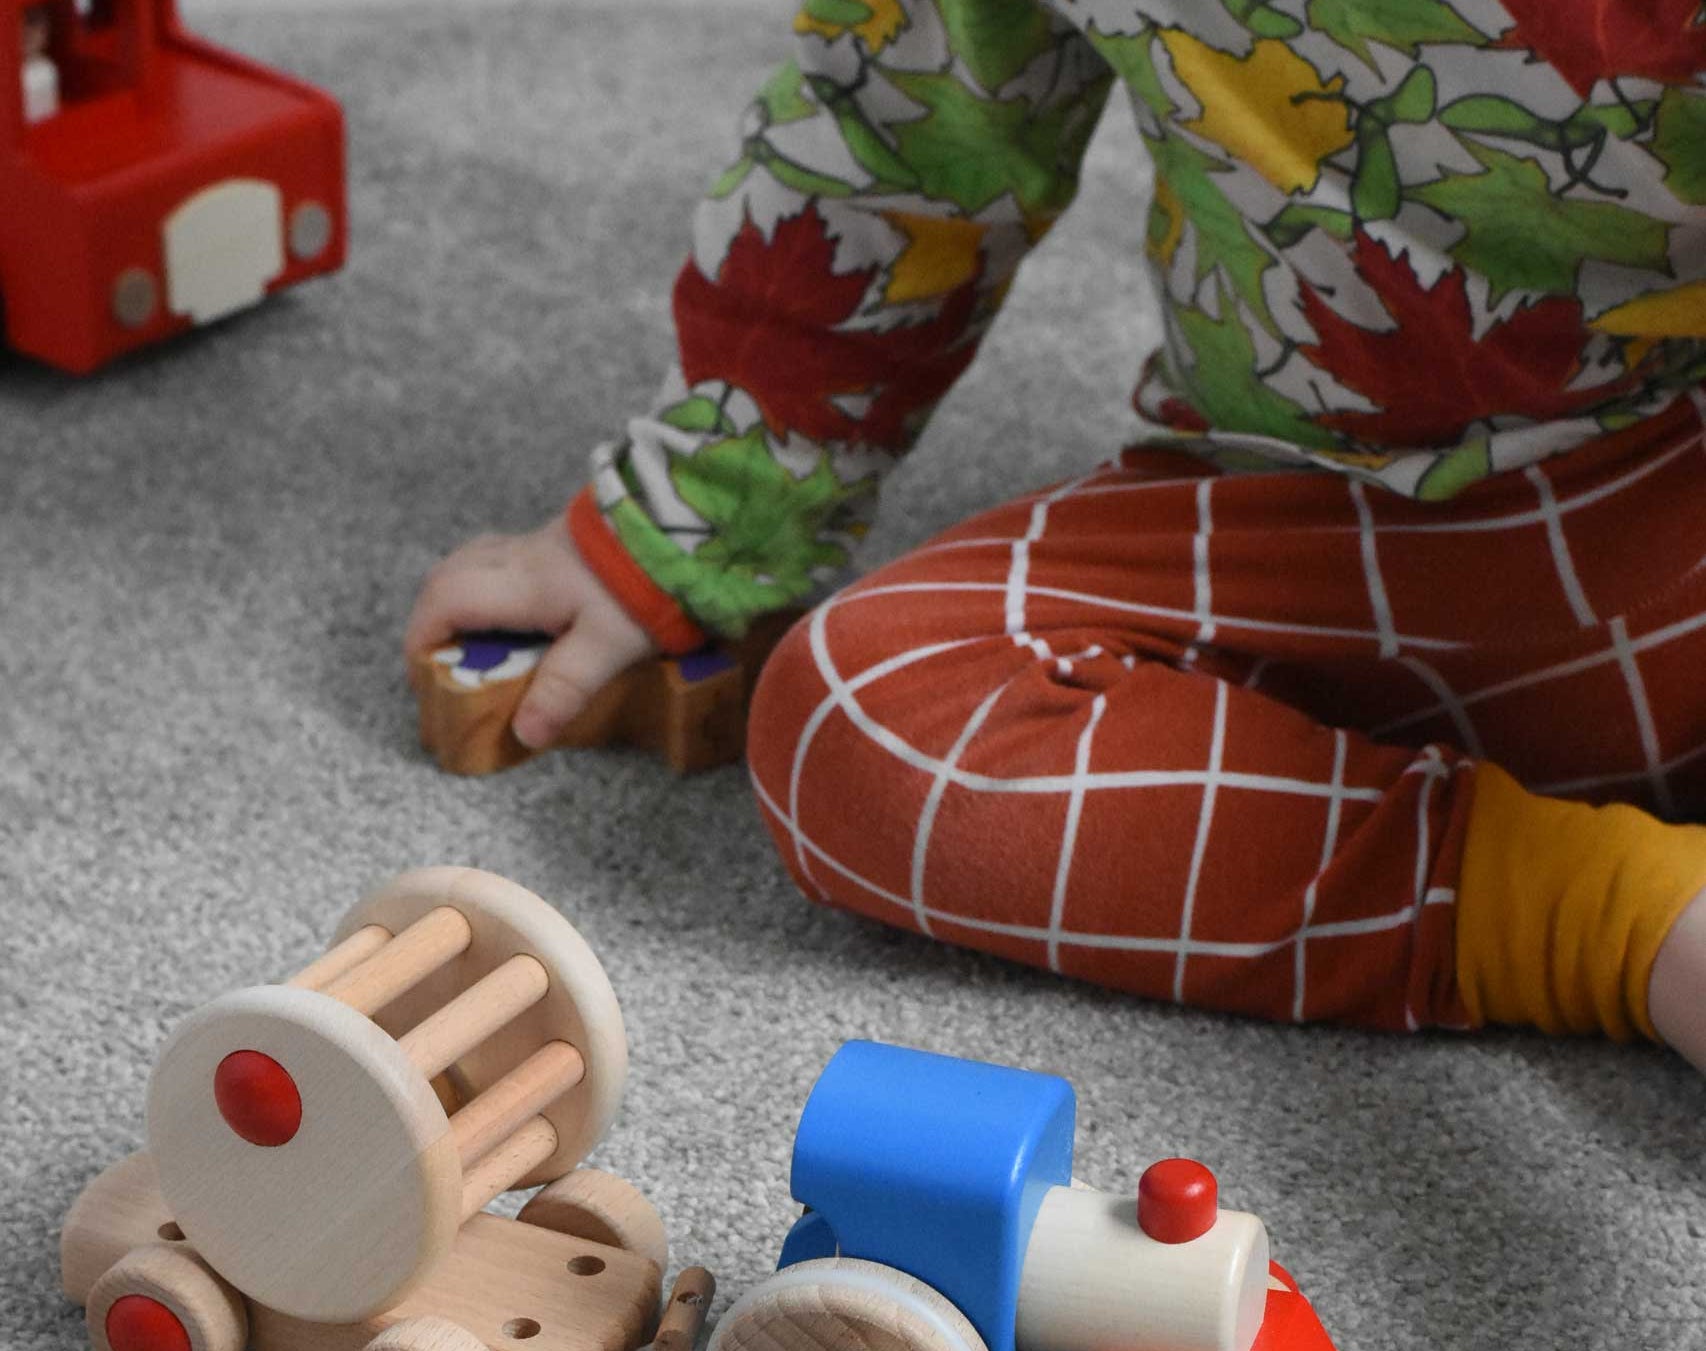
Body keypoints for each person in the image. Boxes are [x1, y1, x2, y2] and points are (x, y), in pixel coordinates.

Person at [404, 1, 1706, 1064]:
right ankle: (1613, 919)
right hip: (1288, 516)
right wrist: (689, 512)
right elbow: (903, 132)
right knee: (851, 721)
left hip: (1672, 495)